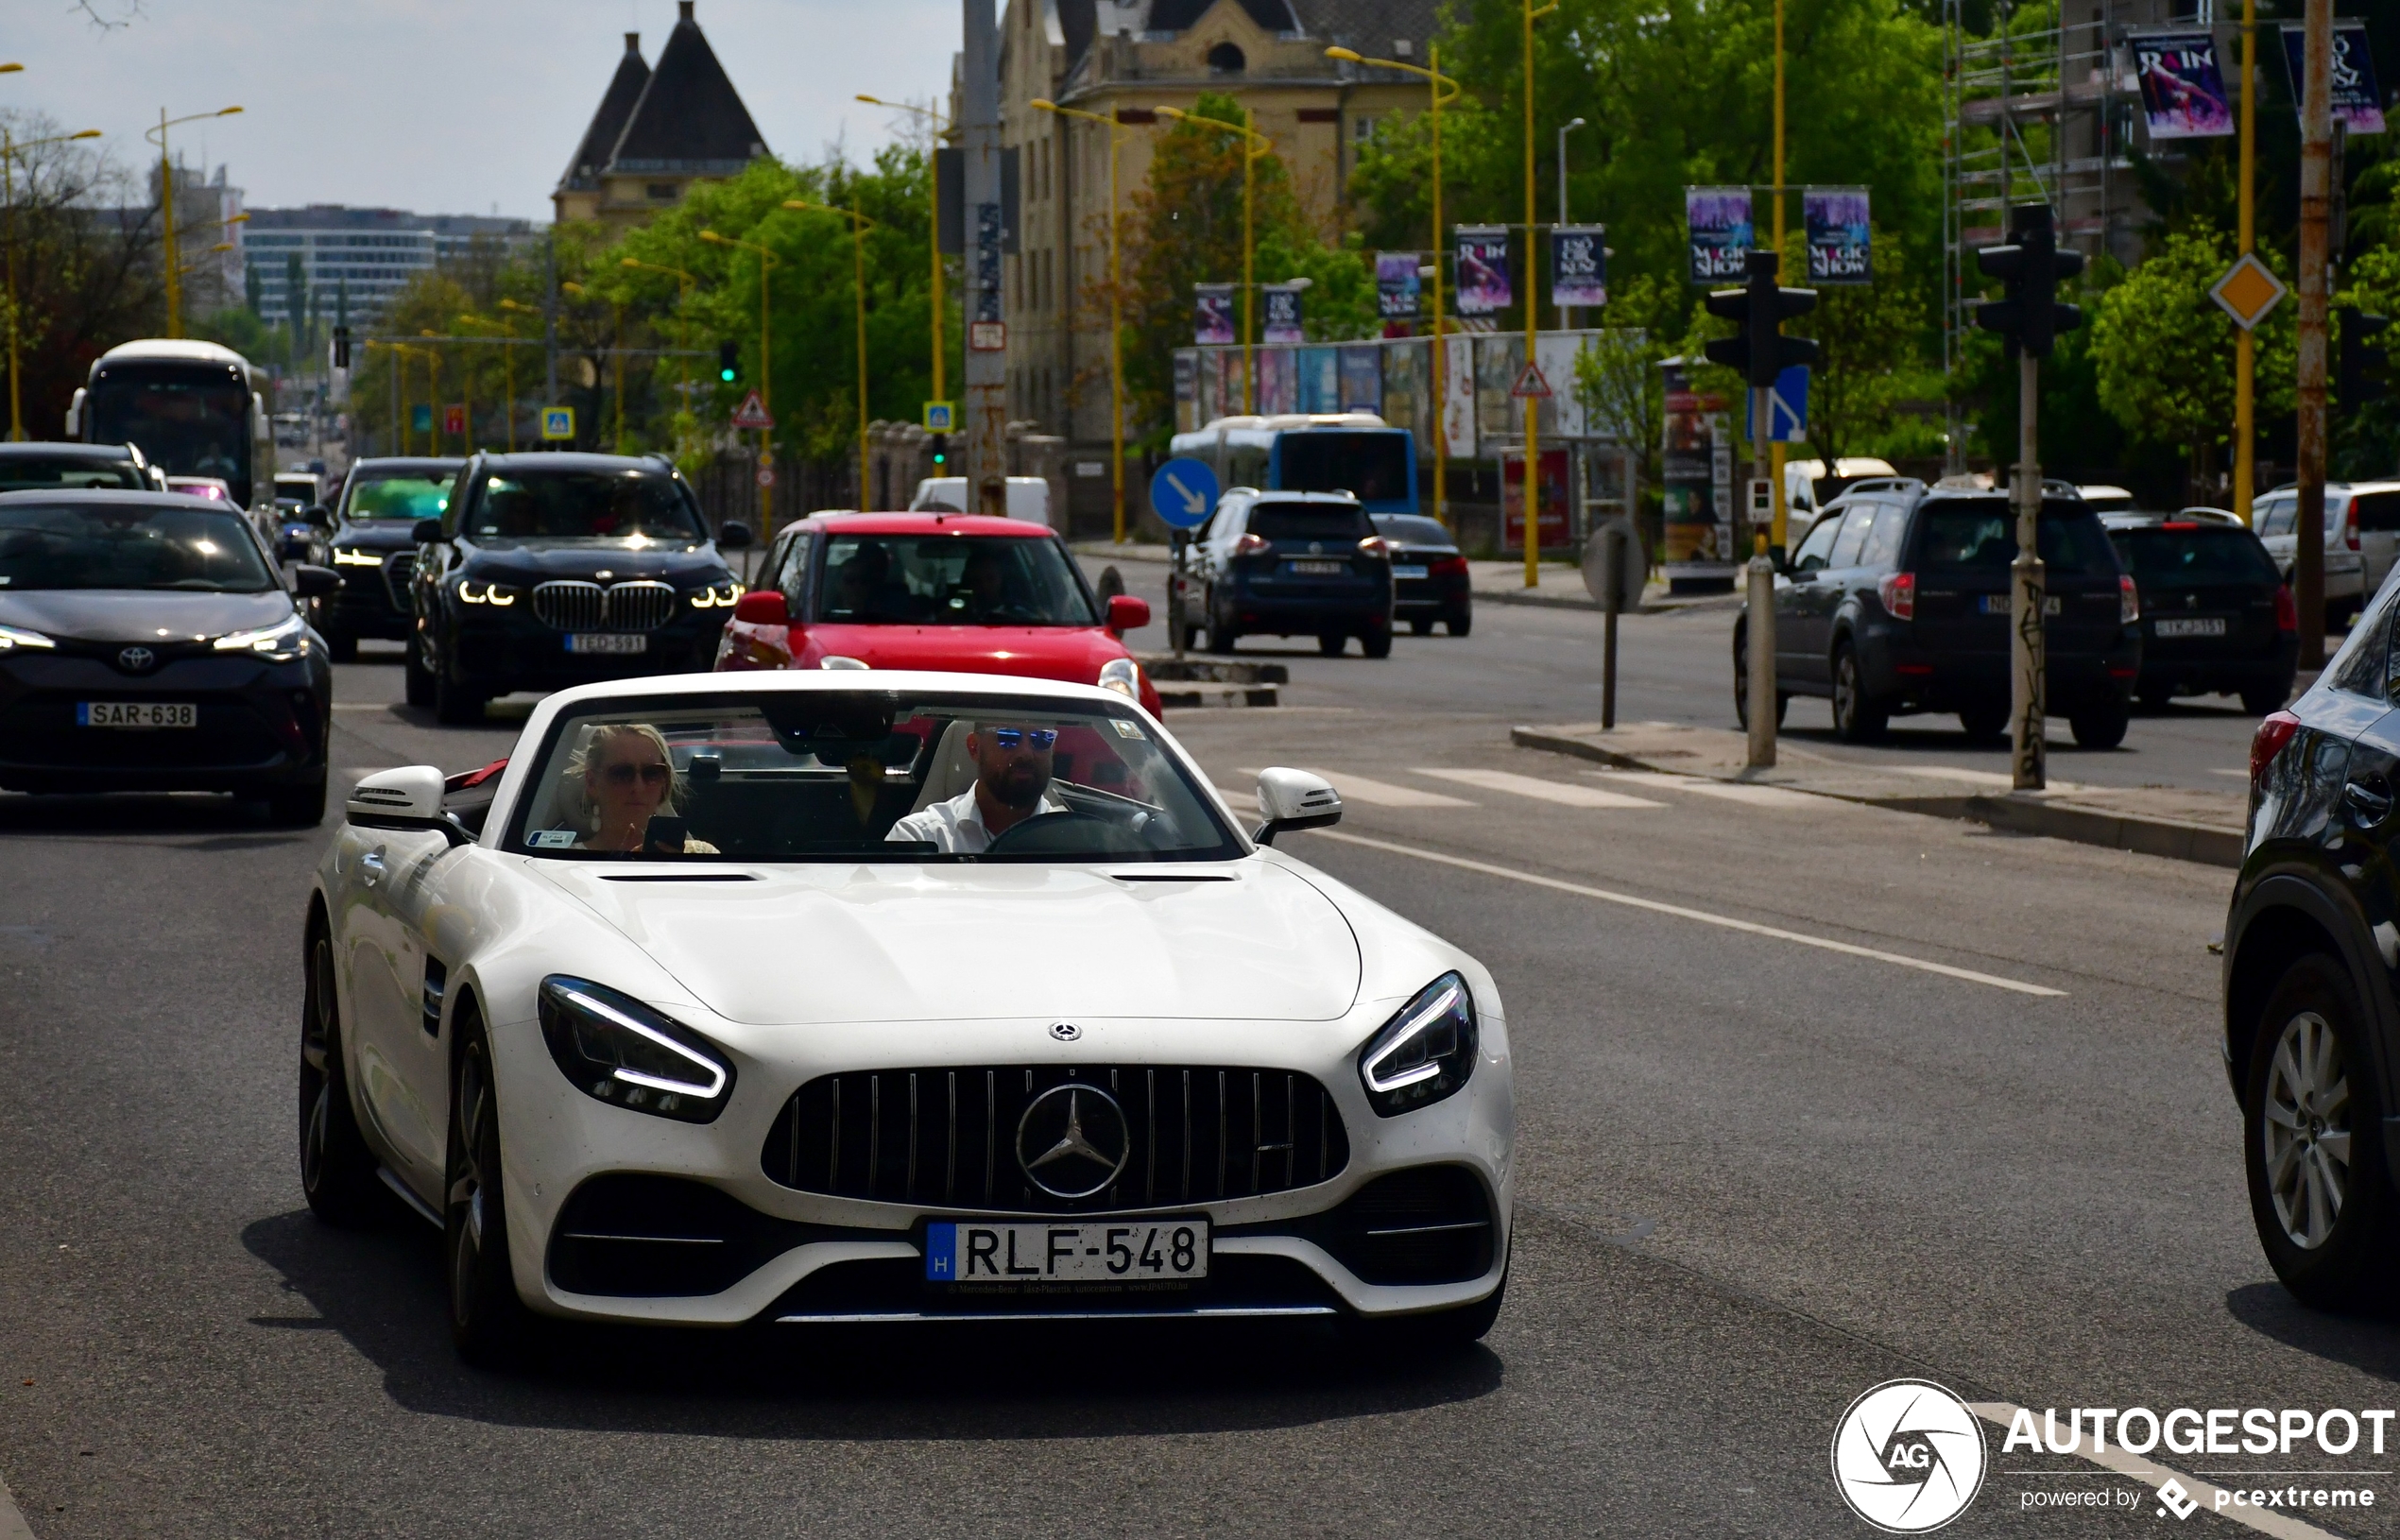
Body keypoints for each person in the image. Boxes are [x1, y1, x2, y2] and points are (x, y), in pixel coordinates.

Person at [885, 721, 1068, 853]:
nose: (1026, 753)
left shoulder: (1073, 842)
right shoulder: (920, 838)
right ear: (974, 747)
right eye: (1008, 738)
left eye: (1042, 739)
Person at [573, 723, 718, 853]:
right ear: (592, 782)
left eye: (652, 773)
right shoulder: (561, 864)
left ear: (664, 783)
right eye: (622, 773)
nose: (638, 787)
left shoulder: (702, 854)